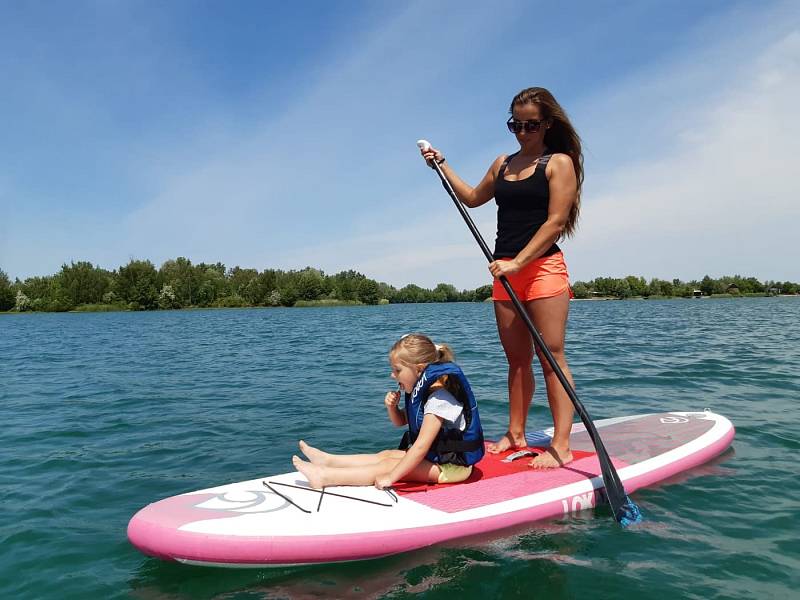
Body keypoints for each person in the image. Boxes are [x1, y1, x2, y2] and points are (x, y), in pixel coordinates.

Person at [420, 87, 582, 468]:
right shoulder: (502, 163)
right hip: (504, 271)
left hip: (541, 268)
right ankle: (515, 432)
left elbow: (555, 223)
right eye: (516, 124)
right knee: (517, 361)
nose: (523, 132)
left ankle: (562, 444)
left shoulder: (559, 162)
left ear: (546, 124)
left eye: (531, 124)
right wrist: (442, 165)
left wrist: (518, 262)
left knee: (551, 357)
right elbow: (474, 198)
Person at [293, 334, 484, 489]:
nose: (393, 375)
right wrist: (392, 408)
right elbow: (401, 421)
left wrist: (391, 477)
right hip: (438, 460)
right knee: (386, 455)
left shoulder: (439, 400)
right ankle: (328, 460)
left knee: (388, 465)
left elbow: (420, 446)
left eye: (397, 370)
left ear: (419, 370)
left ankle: (324, 477)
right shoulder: (422, 392)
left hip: (452, 469)